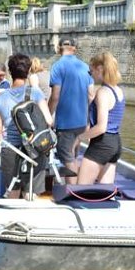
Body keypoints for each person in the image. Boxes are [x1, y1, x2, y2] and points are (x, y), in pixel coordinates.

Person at [0, 53, 53, 198]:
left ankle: (12, 220)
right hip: (35, 149)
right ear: (29, 71)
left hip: (11, 149)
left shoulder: (0, 98)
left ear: (10, 72)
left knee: (13, 191)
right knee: (30, 193)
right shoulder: (35, 93)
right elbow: (49, 121)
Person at [48, 38, 93, 182]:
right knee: (73, 156)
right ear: (75, 48)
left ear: (59, 48)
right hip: (82, 121)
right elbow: (91, 95)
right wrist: (90, 121)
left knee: (67, 157)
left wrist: (47, 116)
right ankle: (72, 186)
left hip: (66, 122)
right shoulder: (85, 67)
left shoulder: (58, 66)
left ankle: (73, 191)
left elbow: (55, 96)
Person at [77, 52, 126, 185]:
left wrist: (80, 137)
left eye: (90, 71)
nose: (91, 75)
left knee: (81, 189)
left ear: (99, 69)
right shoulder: (118, 91)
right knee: (105, 191)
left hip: (101, 144)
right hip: (115, 143)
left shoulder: (103, 92)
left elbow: (101, 127)